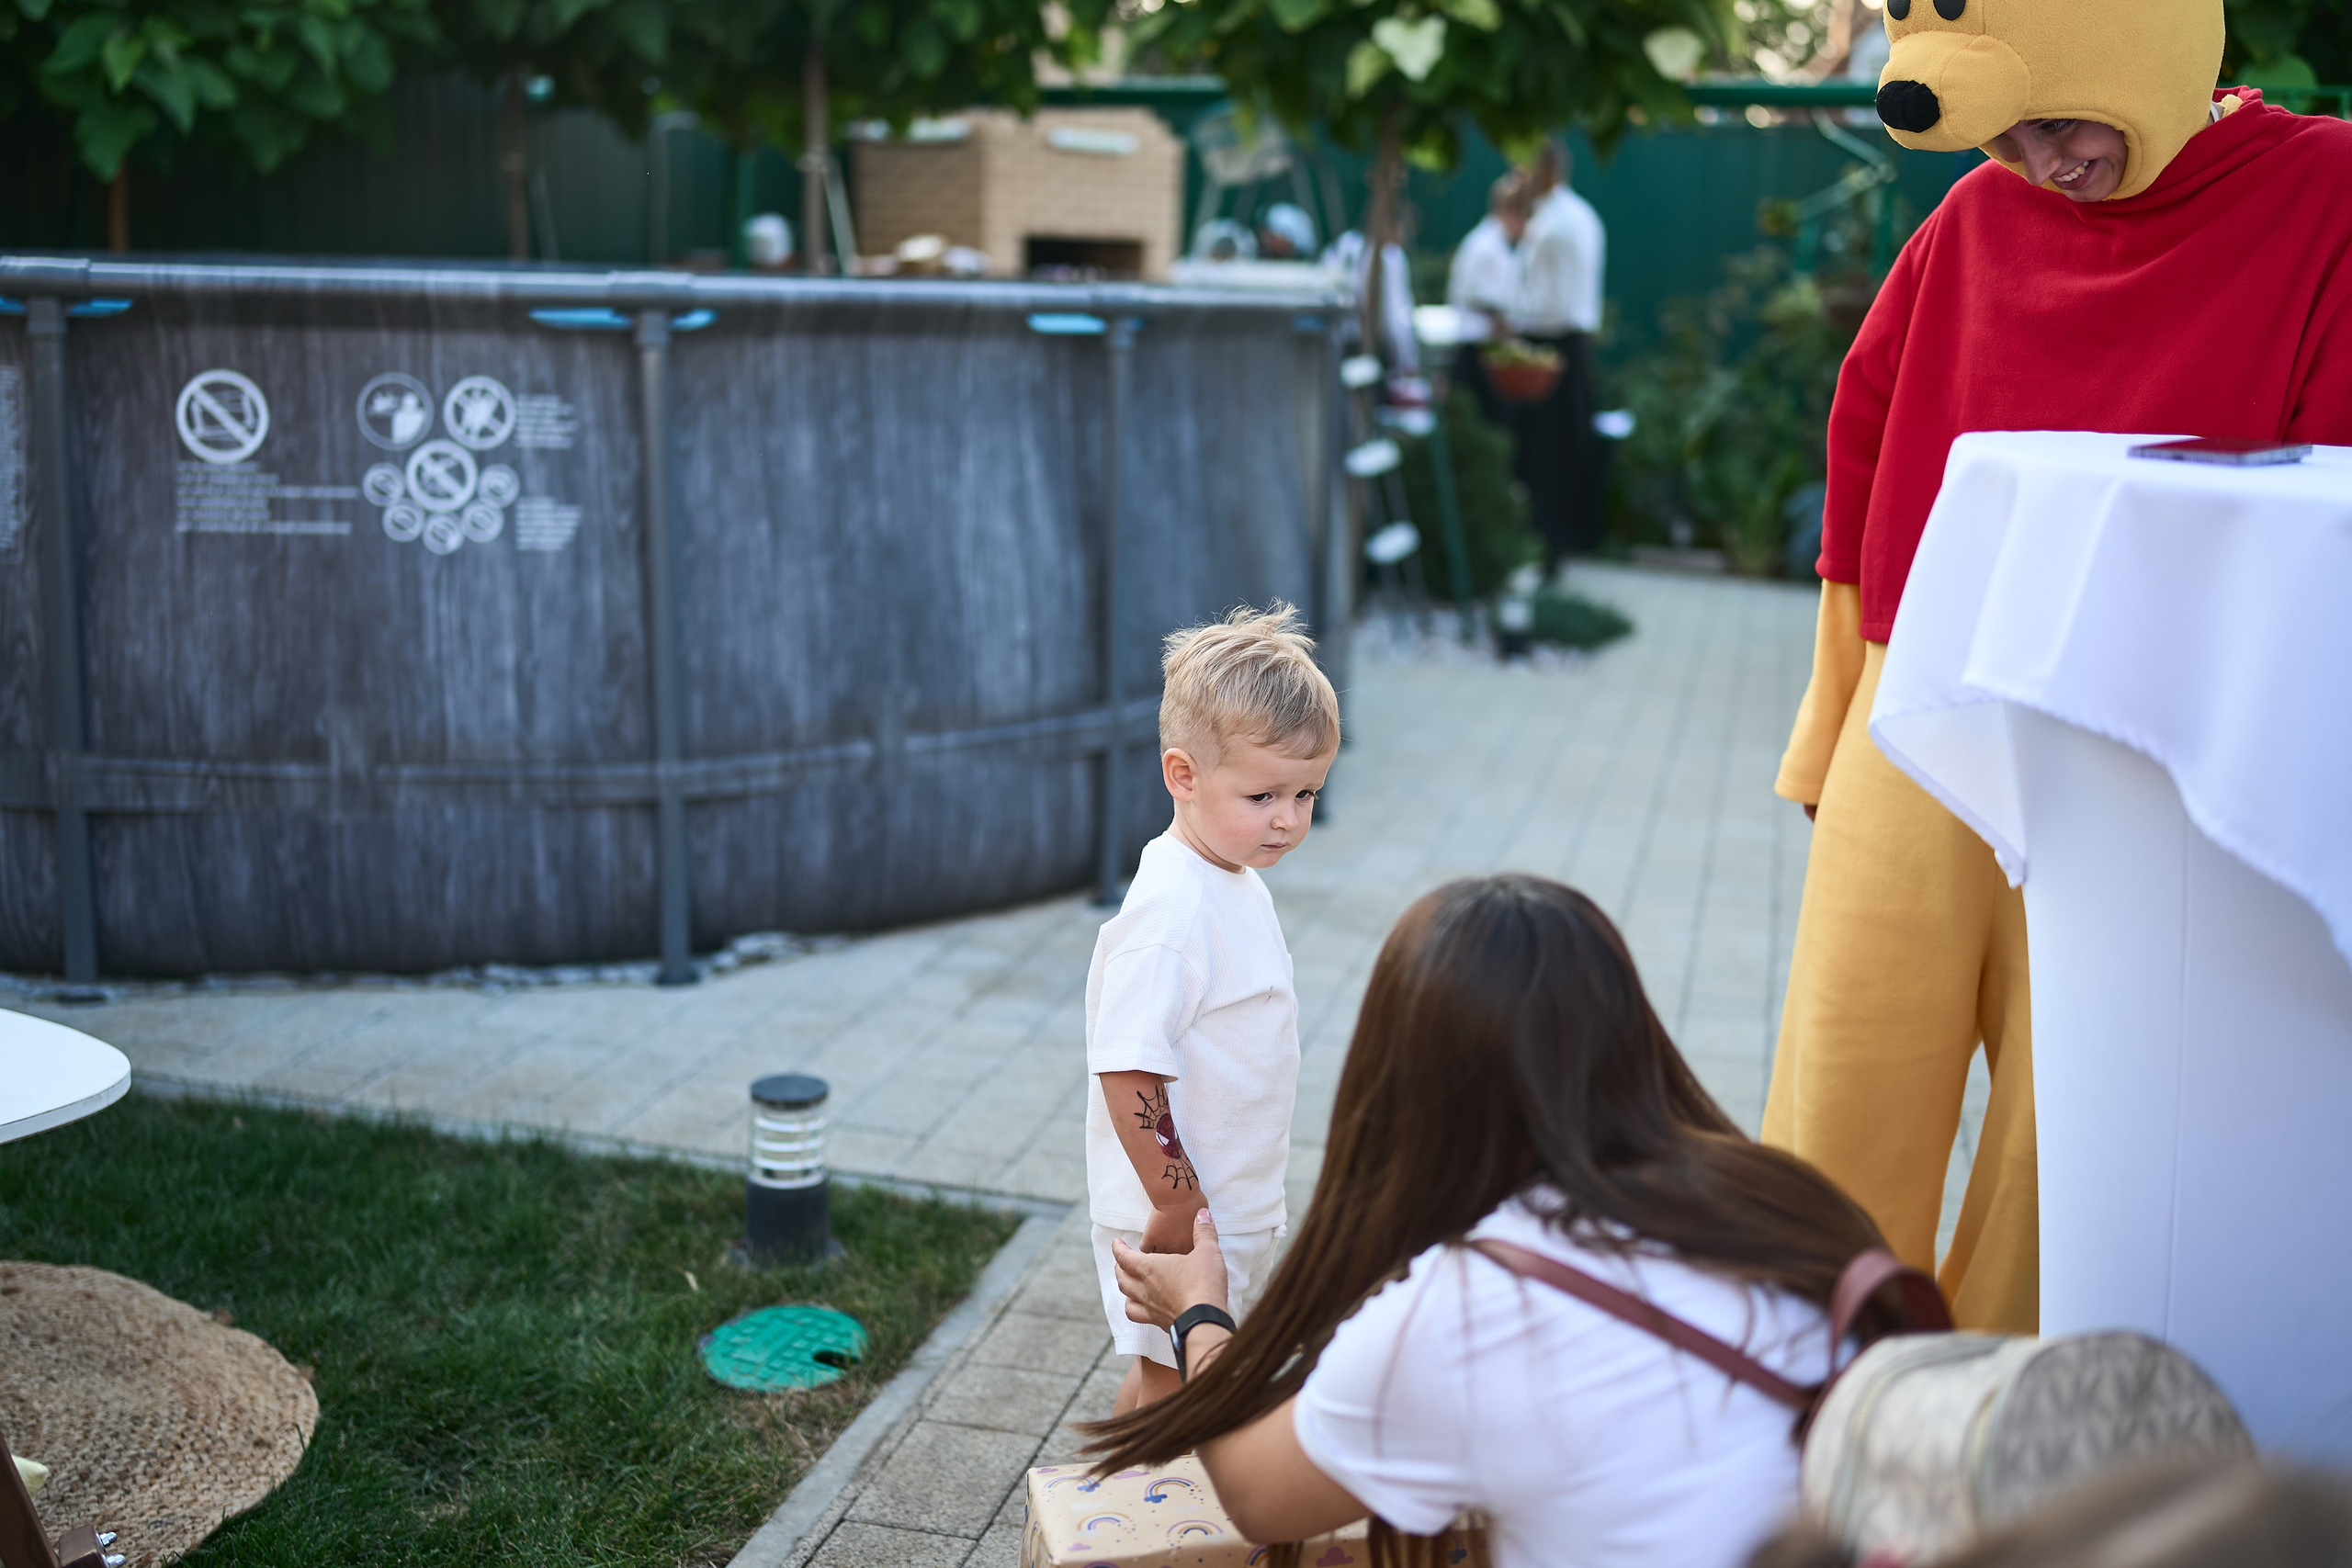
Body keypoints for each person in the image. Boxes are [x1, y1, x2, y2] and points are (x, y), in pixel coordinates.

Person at [1764, 0, 2352, 1335]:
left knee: (2077, 1112)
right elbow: (1864, 449)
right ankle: (1803, 1391)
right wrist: (1828, 718)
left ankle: (2017, 1430)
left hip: (2145, 726)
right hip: (1920, 708)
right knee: (1847, 1071)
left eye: (2057, 114)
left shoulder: (2324, 192)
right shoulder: (1970, 219)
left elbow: (2329, 494)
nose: (2038, 155)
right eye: (2005, 129)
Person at [1089, 874, 1911, 1568]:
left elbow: (1258, 1494)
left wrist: (1199, 1309)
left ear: (1404, 1079)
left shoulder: (1470, 1308)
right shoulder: (1779, 1198)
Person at [1086, 604, 1340, 1416]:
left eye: (1306, 794)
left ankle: (1126, 1517)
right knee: (1176, 1388)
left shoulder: (1228, 876)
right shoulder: (1171, 911)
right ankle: (1121, 1527)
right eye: (1263, 793)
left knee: (1179, 1380)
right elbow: (1127, 1064)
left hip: (1223, 1200)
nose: (1288, 819)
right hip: (1184, 1215)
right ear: (1183, 776)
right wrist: (1175, 1199)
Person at [1508, 141, 1606, 567]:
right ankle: (1558, 544)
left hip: (1550, 343)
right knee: (1566, 447)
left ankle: (1547, 547)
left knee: (1546, 454)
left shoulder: (1552, 221)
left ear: (1542, 170)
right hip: (1572, 344)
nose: (1517, 180)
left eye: (1522, 170)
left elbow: (1546, 302)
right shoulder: (1583, 214)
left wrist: (1510, 319)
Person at [1446, 173, 1532, 428]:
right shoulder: (1486, 246)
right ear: (1511, 212)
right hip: (1477, 351)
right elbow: (1483, 300)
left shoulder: (1496, 244)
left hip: (1483, 349)